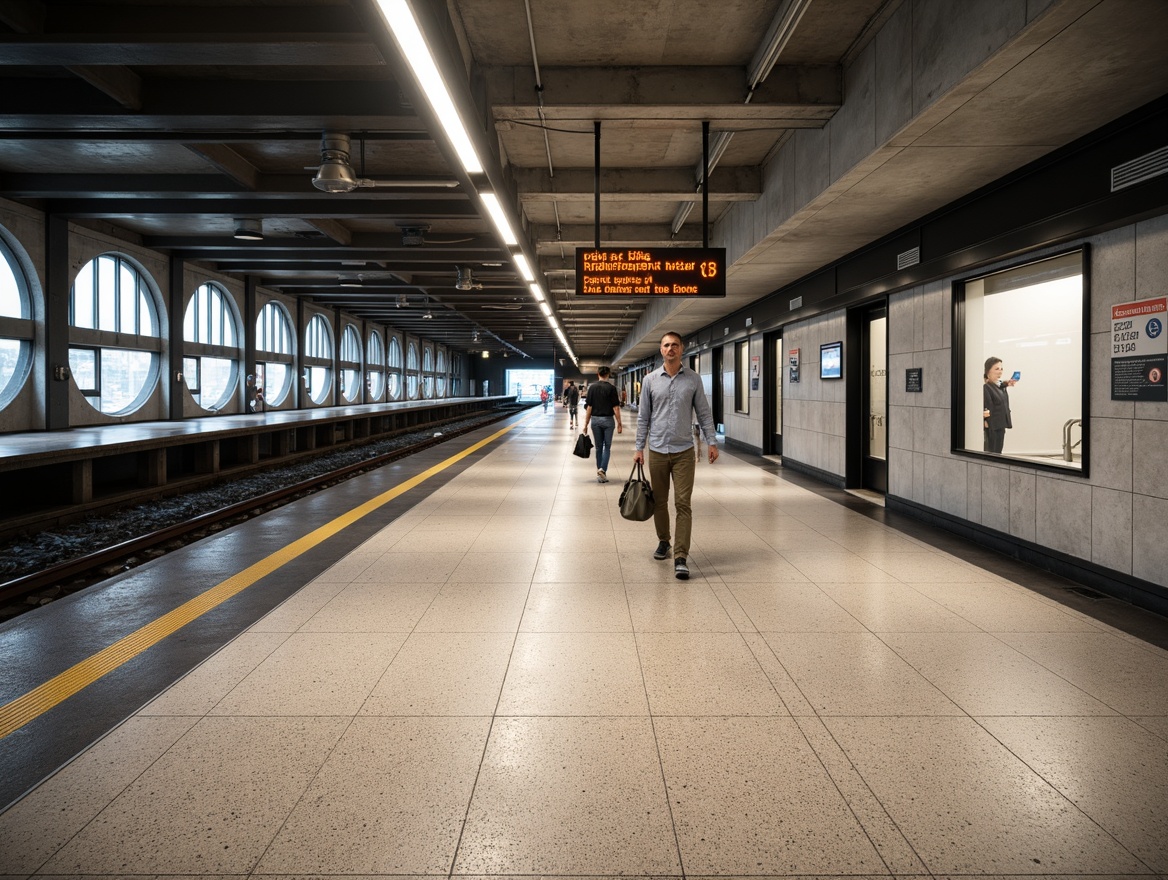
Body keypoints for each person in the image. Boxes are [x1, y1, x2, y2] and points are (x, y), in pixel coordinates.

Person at [634, 331, 718, 580]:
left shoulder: (693, 380)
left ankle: (681, 556)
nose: (670, 349)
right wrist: (639, 448)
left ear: (682, 349)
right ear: (661, 350)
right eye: (666, 345)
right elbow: (643, 418)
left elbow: (704, 413)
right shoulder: (650, 380)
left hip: (683, 451)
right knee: (659, 501)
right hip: (657, 450)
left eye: (674, 345)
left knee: (683, 503)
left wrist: (712, 441)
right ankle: (664, 541)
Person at [583, 366, 622, 483]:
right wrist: (619, 423)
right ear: (608, 374)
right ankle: (602, 469)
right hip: (608, 420)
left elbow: (589, 407)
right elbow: (616, 408)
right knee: (607, 447)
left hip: (595, 420)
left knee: (598, 447)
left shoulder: (592, 388)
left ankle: (600, 475)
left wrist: (586, 424)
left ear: (597, 374)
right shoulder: (611, 388)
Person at [982, 356, 1017, 453]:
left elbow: (1000, 385)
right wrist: (985, 421)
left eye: (1001, 369)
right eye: (996, 369)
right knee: (992, 453)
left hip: (1000, 425)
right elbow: (987, 406)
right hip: (992, 427)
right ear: (988, 371)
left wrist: (1007, 384)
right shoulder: (986, 387)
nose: (1000, 371)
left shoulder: (999, 386)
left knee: (998, 453)